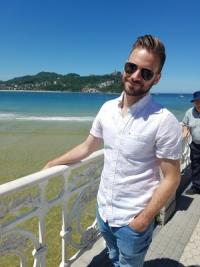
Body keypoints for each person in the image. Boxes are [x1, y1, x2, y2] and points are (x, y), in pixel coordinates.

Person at [44, 34, 182, 267]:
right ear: (124, 68)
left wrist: (144, 219)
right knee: (113, 257)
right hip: (103, 212)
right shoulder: (107, 109)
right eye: (132, 67)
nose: (136, 75)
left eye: (146, 73)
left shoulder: (163, 120)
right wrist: (51, 164)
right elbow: (88, 146)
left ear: (156, 79)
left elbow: (172, 177)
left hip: (133, 219)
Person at [182, 91, 200, 195]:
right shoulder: (189, 112)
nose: (199, 103)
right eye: (197, 101)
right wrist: (185, 130)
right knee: (196, 166)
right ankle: (196, 187)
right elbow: (185, 123)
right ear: (194, 102)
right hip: (195, 144)